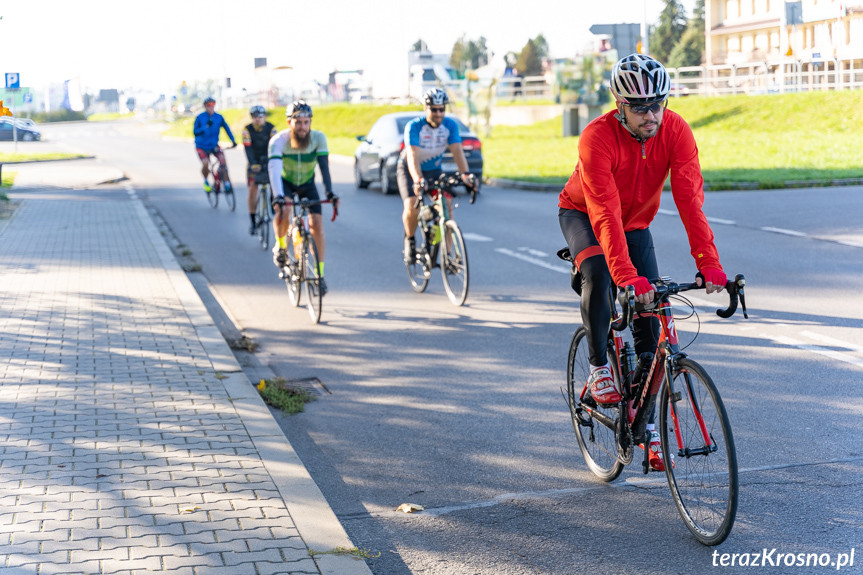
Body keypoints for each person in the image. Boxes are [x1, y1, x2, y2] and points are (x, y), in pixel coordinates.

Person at [558, 54, 727, 472]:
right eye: (640, 108)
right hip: (585, 213)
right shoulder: (596, 139)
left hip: (635, 224)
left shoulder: (676, 130)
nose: (652, 115)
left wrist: (709, 262)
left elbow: (690, 200)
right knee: (599, 272)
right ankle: (599, 366)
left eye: (658, 104)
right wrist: (626, 275)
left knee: (652, 326)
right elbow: (604, 212)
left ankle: (644, 424)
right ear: (619, 106)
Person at [268, 100, 338, 296]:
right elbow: (274, 170)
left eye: (306, 122)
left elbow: (324, 168)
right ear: (289, 122)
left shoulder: (318, 138)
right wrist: (278, 196)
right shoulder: (278, 141)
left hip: (307, 184)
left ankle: (319, 275)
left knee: (317, 225)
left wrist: (330, 193)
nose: (302, 127)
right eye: (298, 122)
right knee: (286, 209)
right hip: (286, 184)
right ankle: (281, 247)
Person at [398, 88, 475, 263]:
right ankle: (410, 241)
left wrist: (466, 175)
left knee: (446, 204)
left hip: (433, 169)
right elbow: (412, 156)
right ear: (426, 109)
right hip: (409, 169)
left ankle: (446, 255)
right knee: (412, 205)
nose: (438, 113)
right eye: (434, 109)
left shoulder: (450, 126)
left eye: (441, 109)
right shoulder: (414, 127)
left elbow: (457, 151)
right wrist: (418, 179)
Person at [242, 105, 278, 234]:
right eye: (255, 117)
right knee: (253, 188)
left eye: (260, 116)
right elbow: (247, 148)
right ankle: (252, 221)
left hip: (269, 159)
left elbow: (275, 146)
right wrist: (252, 163)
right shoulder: (247, 129)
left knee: (276, 181)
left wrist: (273, 160)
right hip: (254, 161)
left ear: (265, 116)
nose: (258, 119)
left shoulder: (271, 128)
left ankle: (272, 200)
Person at [193, 97, 237, 194]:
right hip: (201, 146)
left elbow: (227, 129)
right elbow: (195, 132)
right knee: (205, 163)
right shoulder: (200, 117)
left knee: (223, 162)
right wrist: (206, 126)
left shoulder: (218, 117)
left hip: (214, 145)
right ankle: (206, 181)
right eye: (209, 105)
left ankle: (226, 184)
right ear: (205, 106)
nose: (211, 107)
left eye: (213, 104)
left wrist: (233, 140)